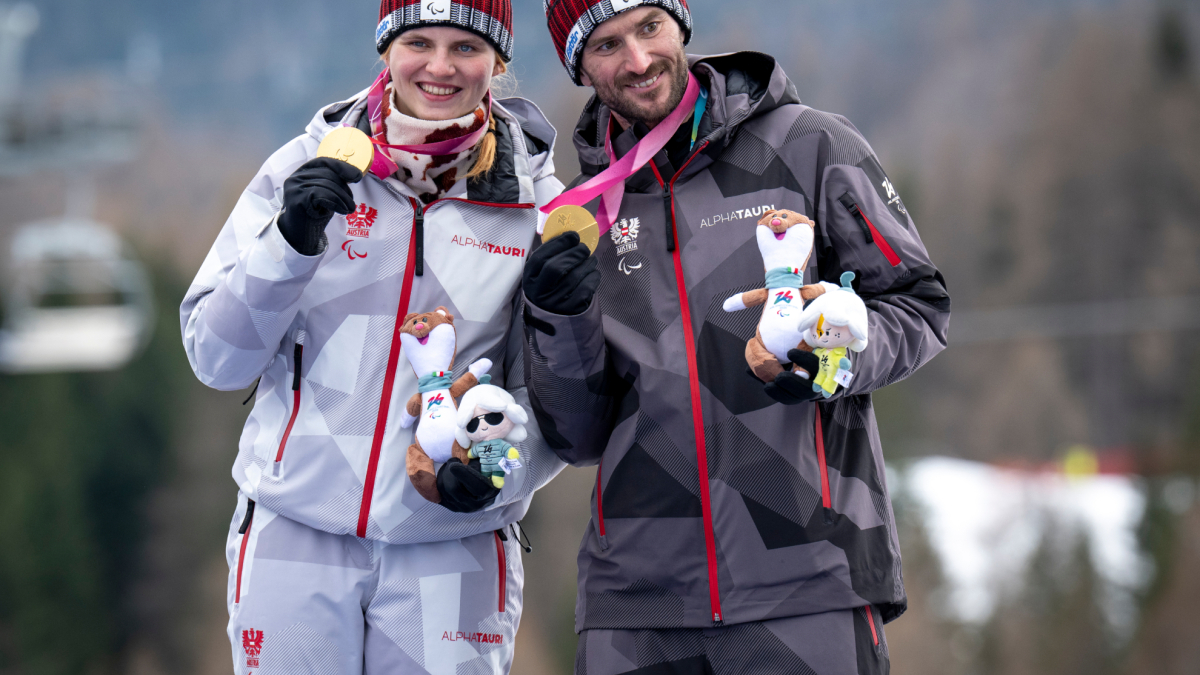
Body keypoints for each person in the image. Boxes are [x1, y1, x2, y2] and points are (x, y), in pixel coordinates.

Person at [524, 2, 951, 673]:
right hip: (635, 607)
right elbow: (577, 435)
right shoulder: (577, 217)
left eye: (648, 28)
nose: (637, 60)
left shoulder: (807, 147)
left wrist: (835, 358)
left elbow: (919, 305)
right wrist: (558, 316)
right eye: (606, 45)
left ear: (680, 25)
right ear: (580, 65)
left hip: (807, 581)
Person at [181, 1, 566, 672]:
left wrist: (501, 476)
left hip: (454, 546)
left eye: (465, 47)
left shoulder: (535, 205)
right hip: (295, 535)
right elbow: (216, 358)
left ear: (497, 63)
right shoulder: (302, 168)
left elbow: (558, 396)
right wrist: (288, 245)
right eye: (419, 41)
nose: (440, 67)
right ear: (387, 50)